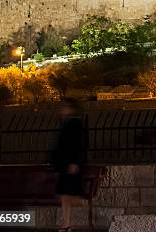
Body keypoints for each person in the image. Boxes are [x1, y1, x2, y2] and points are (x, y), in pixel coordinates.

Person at [51, 98, 85, 232]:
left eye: (64, 107)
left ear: (71, 108)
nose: (61, 109)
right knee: (64, 195)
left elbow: (78, 144)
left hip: (71, 165)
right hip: (64, 165)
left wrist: (75, 162)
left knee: (69, 195)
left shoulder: (75, 123)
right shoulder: (65, 123)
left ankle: (67, 223)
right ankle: (66, 224)